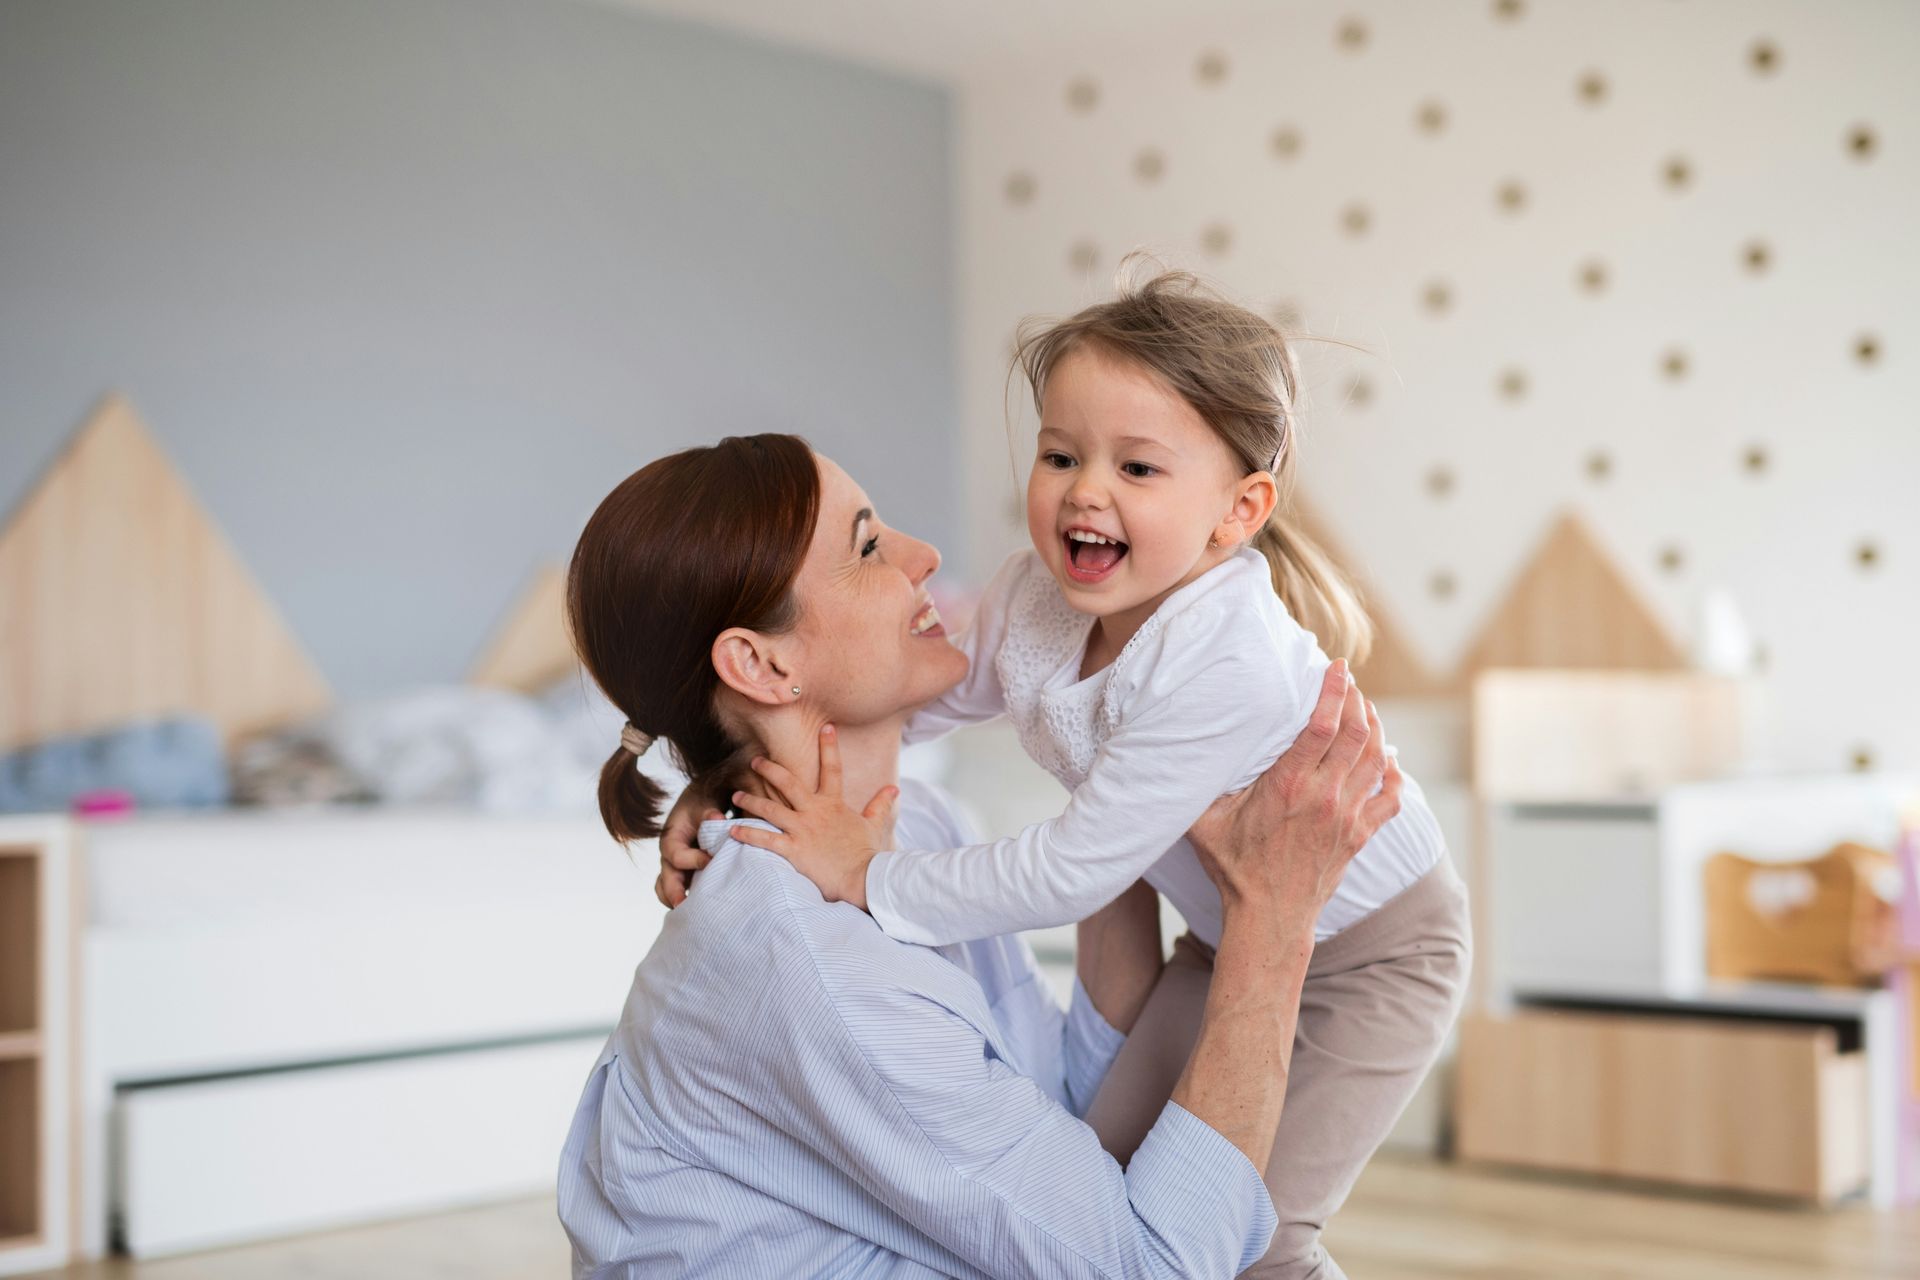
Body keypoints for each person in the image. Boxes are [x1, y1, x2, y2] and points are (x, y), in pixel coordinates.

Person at [706, 270, 1470, 1278]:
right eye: (1060, 453)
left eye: (1138, 468)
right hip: (1222, 934)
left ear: (1237, 511)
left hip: (1374, 954)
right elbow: (905, 700)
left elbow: (1070, 870)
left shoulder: (1222, 661)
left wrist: (866, 874)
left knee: (1256, 1230)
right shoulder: (1038, 599)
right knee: (1107, 1176)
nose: (1084, 490)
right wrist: (732, 781)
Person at [557, 433, 1401, 1278]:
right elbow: (1153, 1267)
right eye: (867, 548)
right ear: (761, 663)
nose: (923, 557)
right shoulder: (805, 954)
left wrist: (1122, 773)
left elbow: (1064, 1109)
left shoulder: (917, 827)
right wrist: (1271, 921)